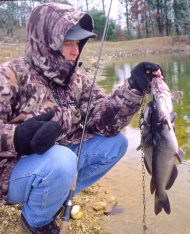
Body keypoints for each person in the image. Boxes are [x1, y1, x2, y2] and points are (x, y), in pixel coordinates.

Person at [0, 2, 162, 234]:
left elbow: (104, 122)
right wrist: (17, 138)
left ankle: (53, 196)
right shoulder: (10, 75)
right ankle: (35, 219)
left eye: (78, 43)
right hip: (11, 172)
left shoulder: (77, 79)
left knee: (116, 144)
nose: (75, 51)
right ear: (46, 42)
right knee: (62, 161)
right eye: (67, 43)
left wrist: (132, 88)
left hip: (58, 160)